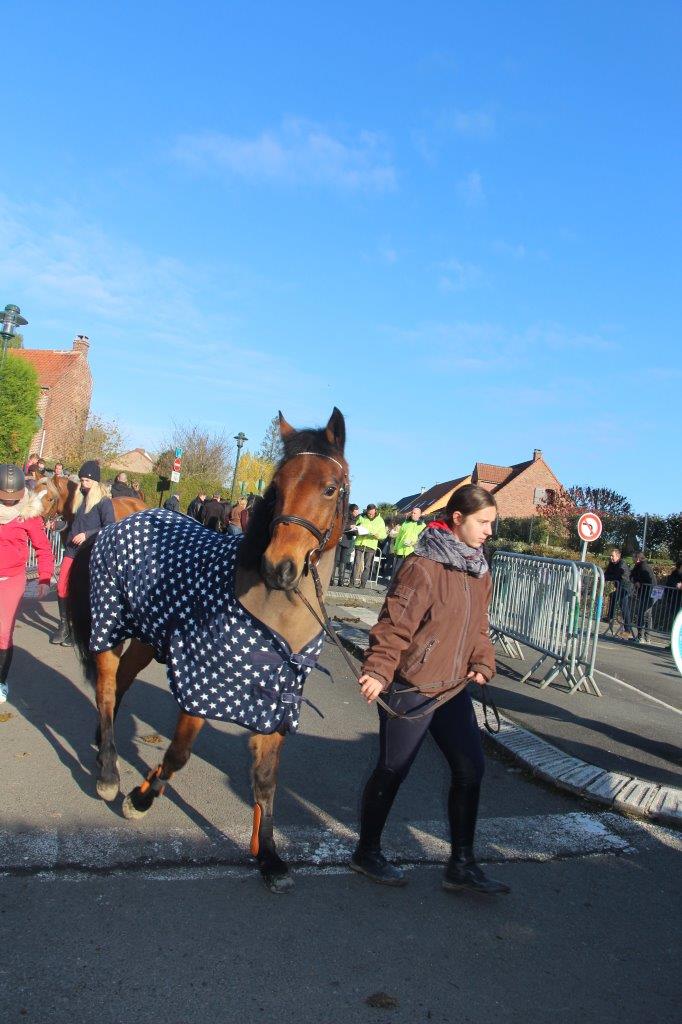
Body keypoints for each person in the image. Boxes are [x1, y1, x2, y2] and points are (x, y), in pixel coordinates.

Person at [350, 484, 509, 896]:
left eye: (492, 523)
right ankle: (366, 851)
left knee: (471, 768)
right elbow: (393, 624)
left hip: (453, 689)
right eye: (484, 522)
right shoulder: (423, 566)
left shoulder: (478, 568)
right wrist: (379, 670)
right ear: (457, 519)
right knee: (393, 769)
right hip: (413, 687)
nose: (490, 531)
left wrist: (482, 661)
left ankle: (462, 864)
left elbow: (478, 627)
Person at [0, 465, 54, 702]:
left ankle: (1, 682)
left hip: (11, 579)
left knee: (2, 633)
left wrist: (44, 577)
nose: (9, 505)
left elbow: (44, 549)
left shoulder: (29, 515)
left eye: (13, 500)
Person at [50, 461, 115, 646]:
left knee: (81, 592)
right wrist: (60, 525)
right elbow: (73, 524)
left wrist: (87, 534)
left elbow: (109, 527)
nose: (83, 484)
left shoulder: (104, 502)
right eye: (81, 480)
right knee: (62, 587)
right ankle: (64, 626)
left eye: (87, 480)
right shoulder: (78, 499)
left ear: (95, 481)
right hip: (71, 551)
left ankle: (79, 630)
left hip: (89, 553)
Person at [604, 547, 636, 640]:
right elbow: (607, 575)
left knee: (624, 608)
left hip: (626, 588)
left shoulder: (622, 564)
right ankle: (610, 616)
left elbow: (618, 576)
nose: (611, 557)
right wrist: (607, 577)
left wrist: (610, 577)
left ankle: (628, 630)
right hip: (620, 587)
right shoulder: (612, 564)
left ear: (618, 556)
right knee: (613, 596)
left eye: (612, 556)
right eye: (610, 556)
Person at [351, 504, 387, 588]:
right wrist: (355, 528)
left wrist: (378, 535)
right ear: (367, 511)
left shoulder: (380, 520)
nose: (370, 515)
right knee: (356, 563)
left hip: (371, 545)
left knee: (367, 566)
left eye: (372, 513)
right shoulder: (362, 517)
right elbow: (355, 525)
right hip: (360, 543)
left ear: (375, 511)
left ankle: (363, 584)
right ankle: (352, 582)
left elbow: (384, 535)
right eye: (369, 513)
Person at [391, 507, 426, 581]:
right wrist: (395, 548)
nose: (412, 514)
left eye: (415, 513)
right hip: (400, 551)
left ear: (419, 515)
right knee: (396, 571)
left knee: (407, 574)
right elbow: (399, 537)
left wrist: (413, 543)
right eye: (412, 513)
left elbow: (423, 540)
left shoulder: (422, 526)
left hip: (412, 553)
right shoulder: (405, 523)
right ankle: (390, 587)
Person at [631, 552, 657, 643]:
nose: (632, 559)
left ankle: (642, 636)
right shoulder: (638, 566)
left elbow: (649, 580)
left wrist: (639, 582)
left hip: (648, 593)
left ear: (638, 558)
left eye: (633, 557)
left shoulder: (643, 567)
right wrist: (636, 581)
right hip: (646, 593)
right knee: (646, 615)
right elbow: (632, 575)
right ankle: (644, 637)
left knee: (644, 614)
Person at [334, 503, 360, 586]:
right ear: (351, 511)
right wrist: (350, 526)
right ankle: (331, 579)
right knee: (336, 560)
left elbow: (354, 532)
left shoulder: (357, 519)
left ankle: (340, 581)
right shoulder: (344, 517)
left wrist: (357, 530)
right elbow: (340, 526)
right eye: (356, 511)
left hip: (348, 541)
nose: (357, 512)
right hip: (340, 539)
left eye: (358, 511)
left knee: (343, 561)